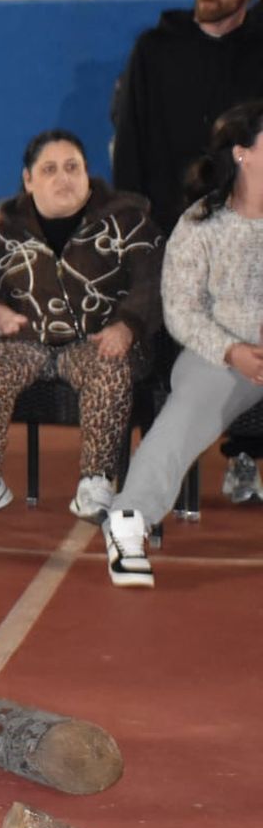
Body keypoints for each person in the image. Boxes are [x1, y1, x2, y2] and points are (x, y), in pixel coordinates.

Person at [112, 0, 263, 504]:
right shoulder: (155, 49)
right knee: (170, 346)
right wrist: (133, 220)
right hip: (165, 231)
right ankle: (155, 468)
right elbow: (130, 138)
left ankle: (244, 455)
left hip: (244, 232)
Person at [0, 131, 164, 529]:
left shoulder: (128, 222)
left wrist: (126, 326)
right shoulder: (9, 230)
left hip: (101, 340)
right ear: (28, 180)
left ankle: (97, 481)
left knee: (108, 367)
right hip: (31, 340)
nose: (63, 178)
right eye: (49, 170)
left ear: (87, 173)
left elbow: (152, 282)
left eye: (72, 167)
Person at [103, 101, 263, 588]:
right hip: (220, 357)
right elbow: (181, 312)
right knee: (190, 405)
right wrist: (232, 351)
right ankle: (128, 520)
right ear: (242, 154)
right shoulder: (199, 225)